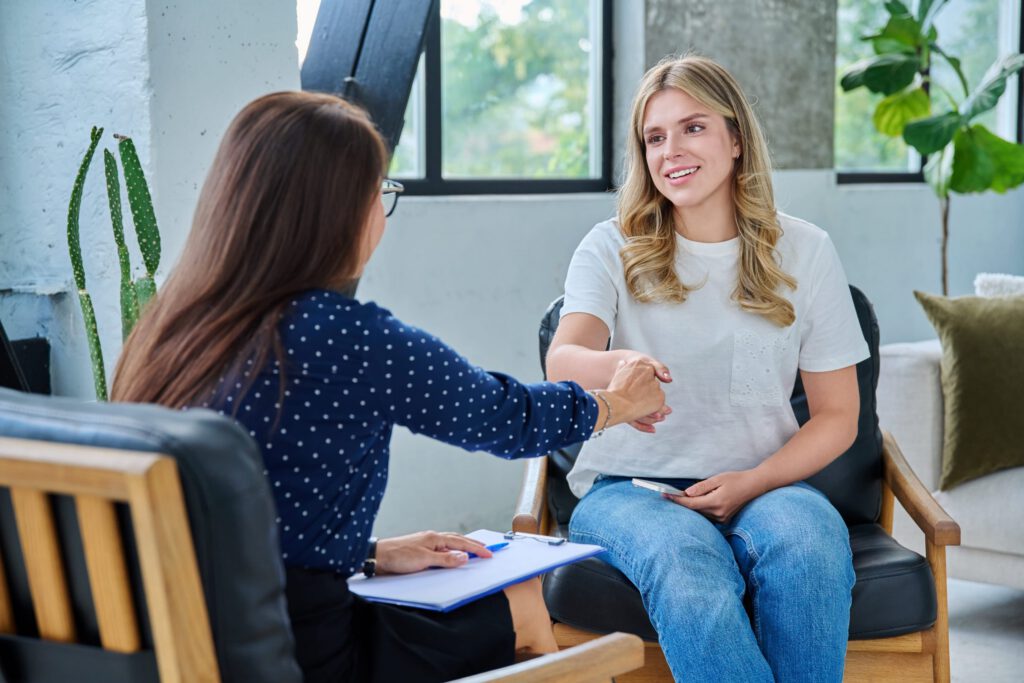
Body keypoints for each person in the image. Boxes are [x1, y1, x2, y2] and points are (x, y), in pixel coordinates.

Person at [110, 91, 667, 682]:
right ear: (341, 211)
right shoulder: (344, 336)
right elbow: (505, 419)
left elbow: (244, 514)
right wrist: (616, 402)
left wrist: (370, 554)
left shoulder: (170, 328)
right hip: (307, 655)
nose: (380, 210)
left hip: (173, 646)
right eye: (379, 192)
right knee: (524, 601)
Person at [545, 56, 869, 682]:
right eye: (655, 137)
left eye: (693, 128)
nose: (672, 151)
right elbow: (565, 357)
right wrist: (622, 362)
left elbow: (838, 416)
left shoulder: (806, 250)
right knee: (689, 566)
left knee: (811, 549)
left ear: (736, 139)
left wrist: (753, 482)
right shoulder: (609, 246)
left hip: (767, 484)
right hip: (627, 486)